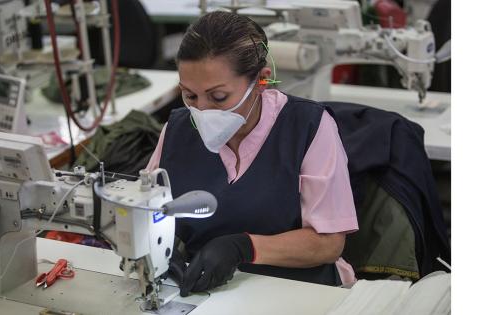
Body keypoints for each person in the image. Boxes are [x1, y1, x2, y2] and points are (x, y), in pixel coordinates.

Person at [146, 11, 358, 297]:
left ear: (261, 80)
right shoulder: (178, 129)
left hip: (297, 288)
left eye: (219, 97)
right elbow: (147, 208)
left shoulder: (308, 127)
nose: (202, 110)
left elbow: (329, 242)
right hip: (207, 287)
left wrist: (244, 248)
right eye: (190, 96)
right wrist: (157, 246)